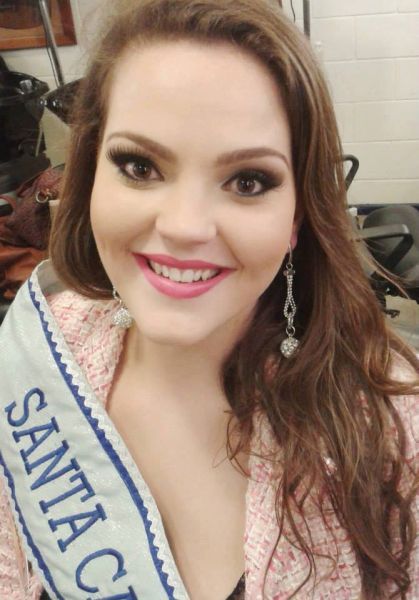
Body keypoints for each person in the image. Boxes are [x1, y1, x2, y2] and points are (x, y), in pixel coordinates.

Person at [0, 0, 417, 598]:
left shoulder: (391, 430)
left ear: (297, 216)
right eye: (139, 166)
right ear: (89, 178)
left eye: (248, 181)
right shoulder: (36, 355)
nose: (185, 226)